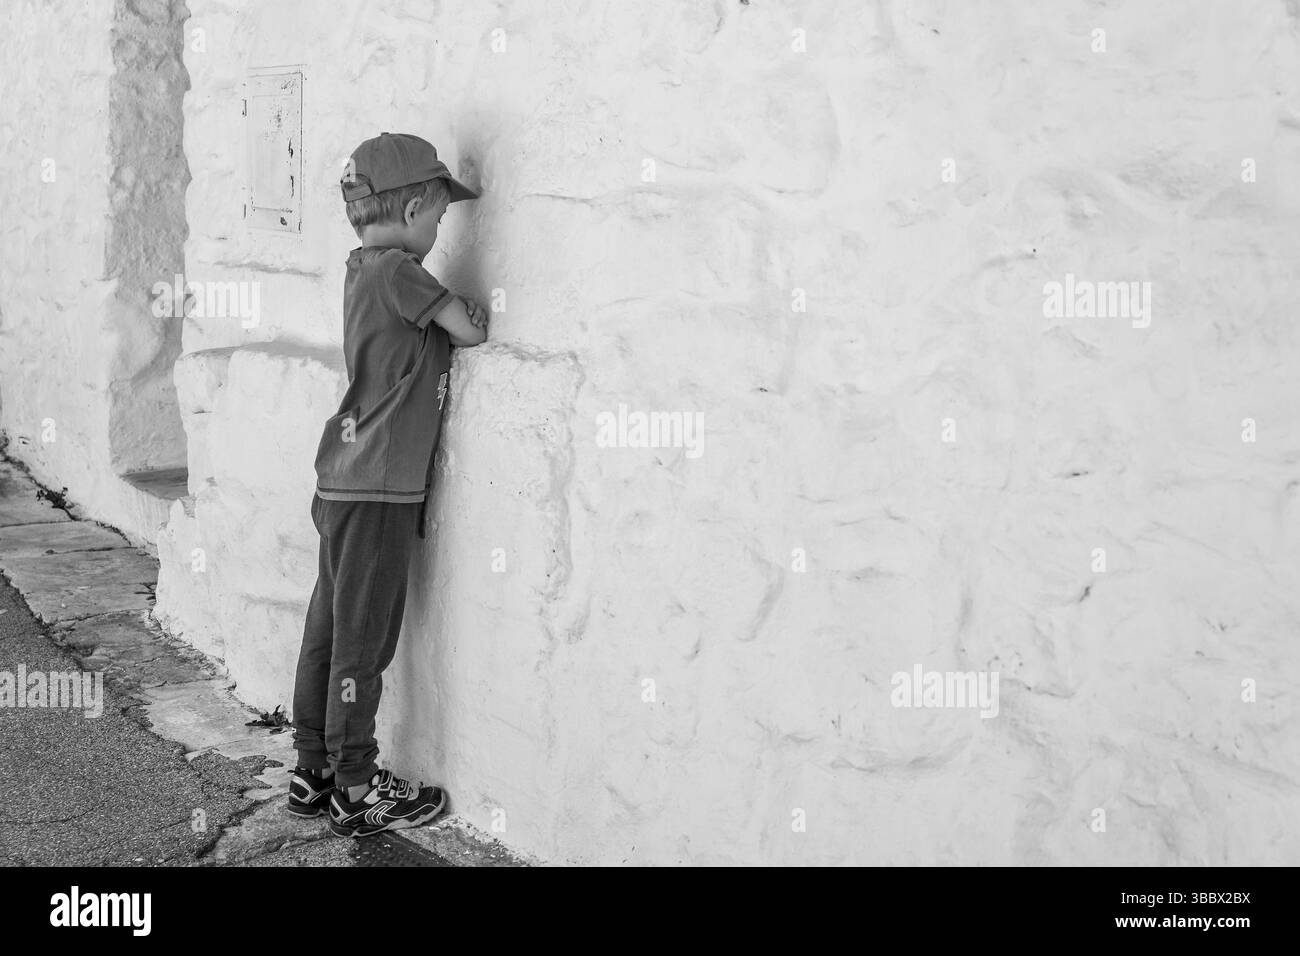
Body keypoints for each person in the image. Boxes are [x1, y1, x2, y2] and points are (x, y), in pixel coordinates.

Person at [286, 132, 489, 837]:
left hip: (345, 483)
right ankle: (357, 786)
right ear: (409, 208)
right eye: (438, 219)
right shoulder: (400, 272)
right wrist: (470, 308)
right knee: (363, 644)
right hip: (375, 491)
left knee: (330, 631)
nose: (439, 233)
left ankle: (312, 769)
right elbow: (468, 331)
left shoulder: (359, 270)